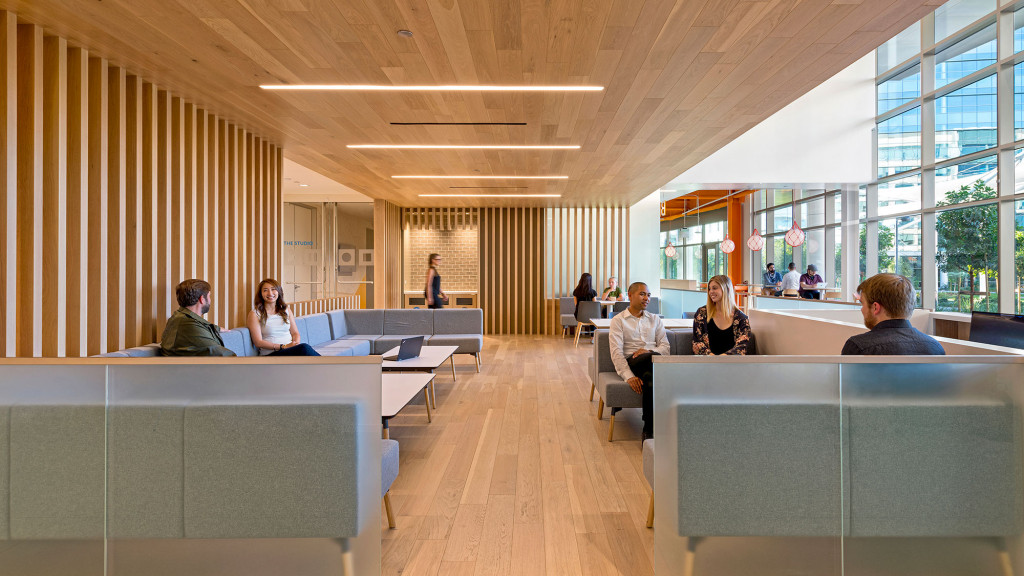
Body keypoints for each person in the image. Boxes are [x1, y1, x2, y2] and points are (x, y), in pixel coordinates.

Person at [608, 282, 669, 441]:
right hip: (633, 362)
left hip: (653, 362)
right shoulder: (618, 321)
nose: (647, 298)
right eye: (642, 294)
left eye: (648, 295)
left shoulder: (655, 319)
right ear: (630, 295)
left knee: (650, 377)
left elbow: (665, 347)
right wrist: (629, 376)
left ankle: (648, 431)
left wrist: (649, 351)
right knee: (651, 360)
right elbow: (616, 353)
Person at [841, 274, 944, 355]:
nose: (862, 310)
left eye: (862, 303)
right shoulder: (935, 347)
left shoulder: (858, 347)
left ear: (875, 307)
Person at [160, 279, 235, 356]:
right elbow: (221, 354)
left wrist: (216, 328)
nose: (210, 300)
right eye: (209, 296)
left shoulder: (179, 317)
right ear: (202, 299)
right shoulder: (188, 325)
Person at [246, 278, 320, 356]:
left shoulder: (286, 310)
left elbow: (295, 333)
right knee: (304, 348)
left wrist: (295, 343)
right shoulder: (255, 314)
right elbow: (258, 342)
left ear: (279, 291)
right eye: (265, 290)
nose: (270, 293)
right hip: (271, 354)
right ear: (261, 294)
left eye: (273, 289)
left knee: (304, 351)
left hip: (289, 350)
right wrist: (283, 347)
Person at [692, 275, 753, 356]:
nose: (711, 292)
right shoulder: (701, 314)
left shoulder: (742, 319)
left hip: (732, 365)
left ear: (727, 289)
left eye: (714, 288)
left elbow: (742, 347)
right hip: (706, 364)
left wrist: (723, 358)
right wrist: (712, 357)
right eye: (709, 289)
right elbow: (697, 343)